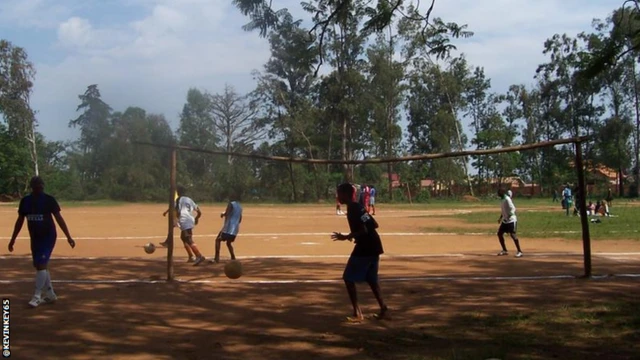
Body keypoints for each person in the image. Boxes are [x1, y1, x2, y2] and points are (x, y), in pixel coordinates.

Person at [7, 176, 76, 308]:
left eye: (41, 185)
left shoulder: (49, 200)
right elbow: (20, 221)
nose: (40, 187)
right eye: (37, 185)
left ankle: (37, 296)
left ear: (43, 186)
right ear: (32, 187)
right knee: (39, 265)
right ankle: (50, 294)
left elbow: (59, 218)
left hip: (48, 236)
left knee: (41, 264)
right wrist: (13, 239)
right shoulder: (26, 201)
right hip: (35, 237)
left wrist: (68, 236)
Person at [331, 183, 387, 322]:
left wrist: (347, 236)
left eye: (339, 194)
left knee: (348, 278)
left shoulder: (353, 209)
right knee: (371, 279)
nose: (338, 197)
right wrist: (355, 234)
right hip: (375, 245)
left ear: (345, 194)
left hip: (366, 247)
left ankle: (357, 313)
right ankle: (384, 310)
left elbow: (364, 230)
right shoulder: (358, 207)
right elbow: (374, 225)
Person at [175, 186, 206, 265]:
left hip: (184, 220)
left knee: (188, 238)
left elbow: (178, 212)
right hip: (190, 219)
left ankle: (199, 255)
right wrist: (197, 218)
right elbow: (199, 212)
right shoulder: (189, 199)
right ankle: (190, 256)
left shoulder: (178, 200)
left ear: (178, 192)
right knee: (183, 237)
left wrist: (175, 221)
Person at [212, 196, 243, 263]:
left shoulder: (231, 204)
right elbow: (240, 219)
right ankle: (233, 257)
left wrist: (223, 214)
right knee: (228, 243)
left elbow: (227, 213)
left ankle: (216, 258)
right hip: (235, 228)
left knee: (218, 240)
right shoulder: (240, 206)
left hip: (228, 228)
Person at [496, 188, 523, 258]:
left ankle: (519, 251)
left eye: (498, 193)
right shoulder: (502, 199)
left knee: (513, 235)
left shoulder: (507, 199)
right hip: (505, 220)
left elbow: (513, 208)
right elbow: (503, 210)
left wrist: (509, 215)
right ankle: (504, 250)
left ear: (502, 193)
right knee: (499, 234)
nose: (497, 194)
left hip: (511, 220)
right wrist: (500, 218)